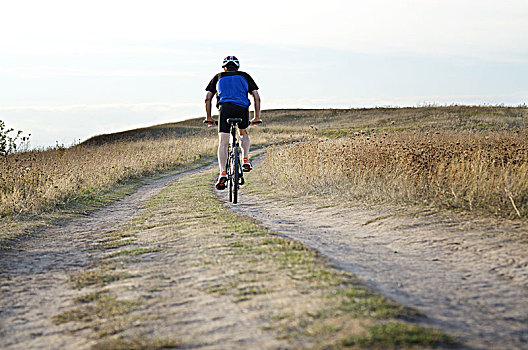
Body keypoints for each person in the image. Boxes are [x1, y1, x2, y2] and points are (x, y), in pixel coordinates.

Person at [204, 56, 261, 190]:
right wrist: (257, 117)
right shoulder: (245, 76)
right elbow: (256, 97)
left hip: (225, 109)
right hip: (242, 109)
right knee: (243, 133)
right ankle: (246, 159)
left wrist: (209, 117)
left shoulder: (218, 76)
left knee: (223, 141)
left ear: (224, 67)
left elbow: (207, 99)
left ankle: (223, 172)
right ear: (237, 67)